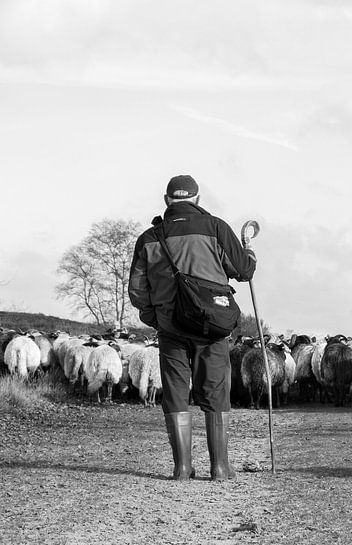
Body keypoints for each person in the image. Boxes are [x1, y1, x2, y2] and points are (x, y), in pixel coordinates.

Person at [129, 175, 256, 481]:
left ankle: (182, 468)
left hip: (171, 329)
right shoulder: (216, 228)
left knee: (175, 391)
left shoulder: (149, 238)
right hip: (213, 327)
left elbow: (137, 291)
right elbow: (243, 270)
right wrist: (250, 253)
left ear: (166, 200)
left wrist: (156, 318)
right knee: (215, 391)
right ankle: (220, 467)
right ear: (197, 199)